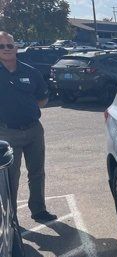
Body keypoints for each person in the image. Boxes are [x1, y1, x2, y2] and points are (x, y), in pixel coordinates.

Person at [0, 31, 56, 222]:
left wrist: (26, 109)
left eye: (9, 45)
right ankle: (11, 218)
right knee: (9, 178)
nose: (6, 49)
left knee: (37, 172)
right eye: (1, 46)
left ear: (16, 48)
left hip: (33, 130)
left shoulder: (30, 71)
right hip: (6, 132)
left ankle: (39, 210)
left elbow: (42, 98)